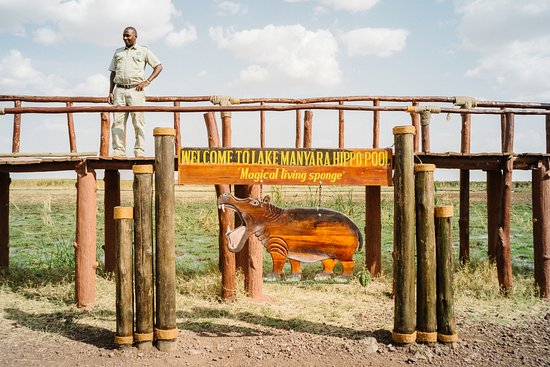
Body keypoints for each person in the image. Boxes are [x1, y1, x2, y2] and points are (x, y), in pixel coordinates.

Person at [107, 26, 163, 157]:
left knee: (138, 122)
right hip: (119, 90)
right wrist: (110, 91)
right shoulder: (118, 52)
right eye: (124, 35)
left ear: (135, 36)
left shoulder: (143, 51)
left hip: (136, 90)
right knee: (118, 123)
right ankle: (118, 151)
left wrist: (147, 81)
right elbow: (113, 72)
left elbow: (158, 66)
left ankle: (139, 151)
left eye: (128, 35)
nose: (125, 38)